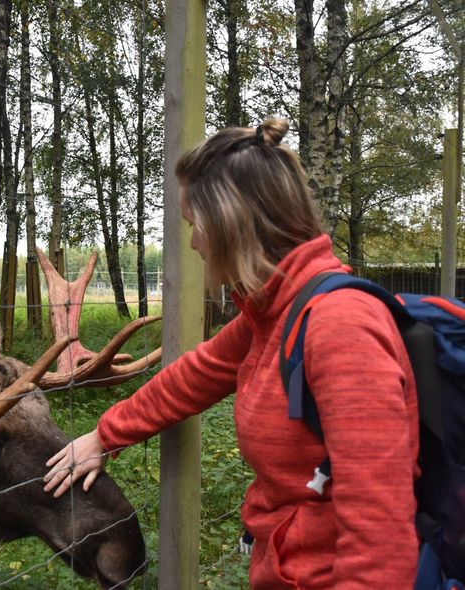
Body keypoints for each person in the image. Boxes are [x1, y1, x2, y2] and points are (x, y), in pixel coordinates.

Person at [43, 119, 420, 588]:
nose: (194, 243)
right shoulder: (273, 313)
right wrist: (105, 435)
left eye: (193, 224)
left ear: (228, 223)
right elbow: (193, 377)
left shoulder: (340, 327)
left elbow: (379, 538)